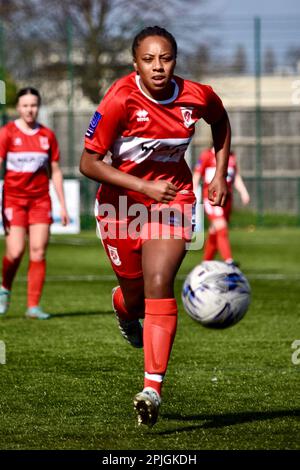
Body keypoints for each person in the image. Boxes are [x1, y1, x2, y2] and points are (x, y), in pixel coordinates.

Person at [80, 25, 231, 427]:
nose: (158, 66)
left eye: (165, 58)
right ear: (136, 64)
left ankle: (152, 389)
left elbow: (220, 120)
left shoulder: (197, 95)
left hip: (173, 201)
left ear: (174, 60)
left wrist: (218, 174)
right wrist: (143, 185)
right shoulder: (119, 99)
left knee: (159, 281)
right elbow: (88, 163)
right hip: (121, 208)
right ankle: (122, 307)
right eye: (148, 59)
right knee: (134, 294)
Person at [0, 87, 69, 319]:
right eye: (25, 105)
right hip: (13, 200)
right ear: (18, 108)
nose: (30, 109)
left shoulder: (47, 136)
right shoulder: (7, 133)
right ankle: (4, 288)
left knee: (38, 252)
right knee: (16, 250)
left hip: (40, 201)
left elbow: (56, 171)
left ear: (38, 107)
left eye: (34, 105)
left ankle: (33, 306)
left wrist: (63, 205)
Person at [193, 146, 250, 264]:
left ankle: (206, 262)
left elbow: (236, 177)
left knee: (215, 231)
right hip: (212, 199)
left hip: (227, 200)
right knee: (221, 227)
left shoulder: (231, 158)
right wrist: (193, 193)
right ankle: (229, 261)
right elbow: (197, 175)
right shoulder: (206, 156)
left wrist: (243, 192)